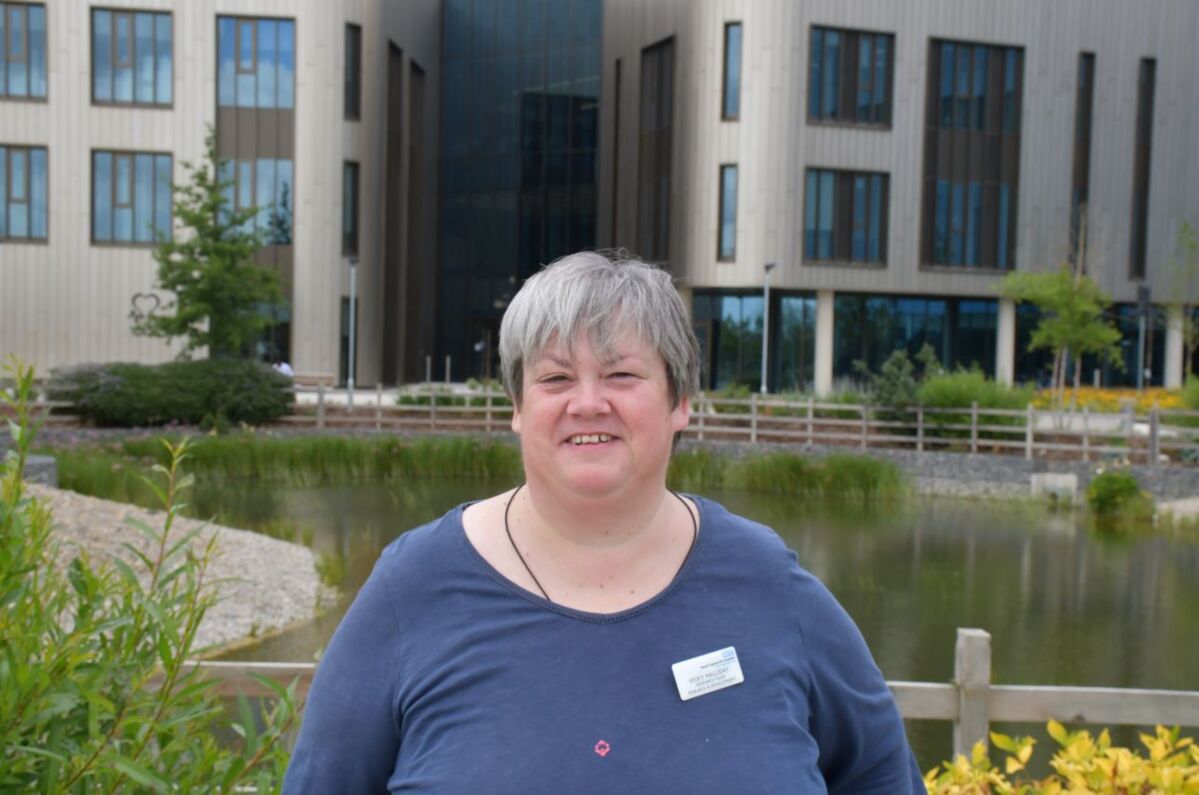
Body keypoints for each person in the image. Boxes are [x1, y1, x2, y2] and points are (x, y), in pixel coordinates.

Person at [283, 252, 924, 793]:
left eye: (621, 374)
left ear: (680, 401)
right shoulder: (414, 589)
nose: (588, 403)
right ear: (517, 406)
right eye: (556, 377)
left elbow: (883, 778)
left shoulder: (769, 584)